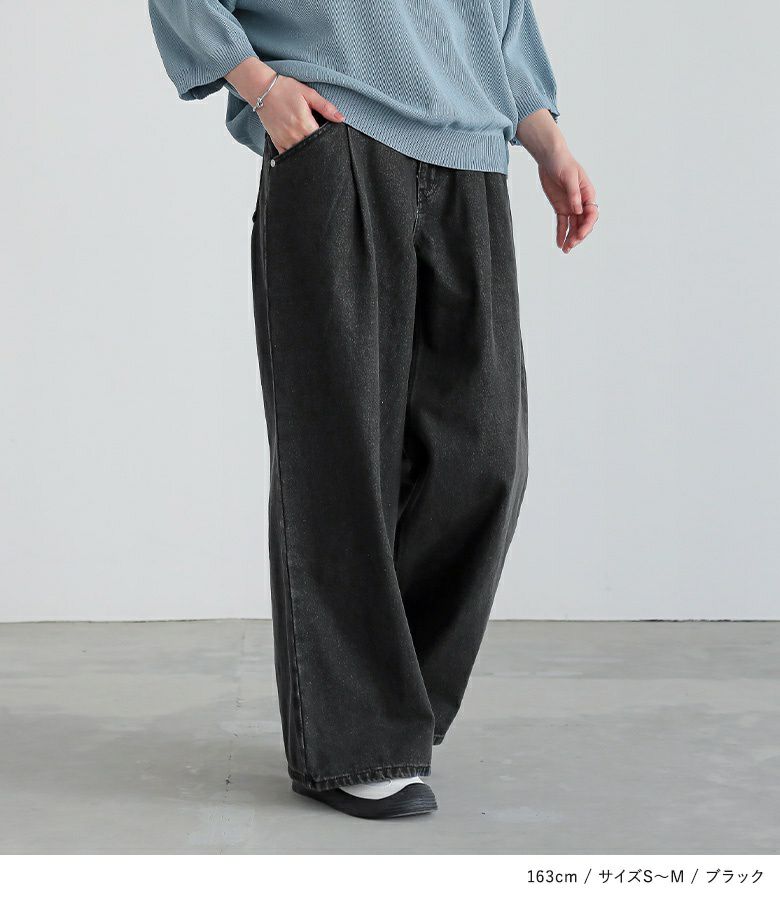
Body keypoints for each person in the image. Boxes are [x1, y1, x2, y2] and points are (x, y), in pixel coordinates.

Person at [148, 0, 598, 820]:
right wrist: (260, 86)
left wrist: (548, 141)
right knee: (341, 458)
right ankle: (356, 739)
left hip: (473, 157)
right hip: (336, 134)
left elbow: (499, 20)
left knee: (486, 458)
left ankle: (381, 706)